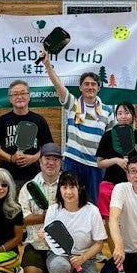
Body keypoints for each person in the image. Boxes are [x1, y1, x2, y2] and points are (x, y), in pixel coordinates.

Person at [43, 53, 114, 204]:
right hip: (73, 161)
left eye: (93, 84)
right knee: (68, 200)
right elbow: (58, 86)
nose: (90, 87)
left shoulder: (108, 111)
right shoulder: (73, 105)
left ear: (98, 88)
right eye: (86, 84)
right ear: (80, 87)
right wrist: (48, 66)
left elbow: (110, 142)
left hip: (95, 165)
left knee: (93, 204)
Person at [40, 172, 106, 273]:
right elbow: (50, 244)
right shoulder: (53, 210)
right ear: (60, 190)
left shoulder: (92, 211)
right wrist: (43, 239)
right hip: (59, 256)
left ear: (80, 188)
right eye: (64, 187)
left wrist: (82, 258)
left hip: (84, 259)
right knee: (59, 266)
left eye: (72, 187)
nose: (68, 192)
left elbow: (99, 244)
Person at [0, 80, 53, 191]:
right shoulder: (2, 121)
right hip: (8, 178)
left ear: (29, 96)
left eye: (23, 93)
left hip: (34, 177)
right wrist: (11, 158)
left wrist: (34, 158)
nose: (19, 97)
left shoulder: (39, 120)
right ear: (10, 98)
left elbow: (48, 147)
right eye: (15, 94)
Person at [17, 142, 62, 273]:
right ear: (40, 161)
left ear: (60, 163)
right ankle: (47, 266)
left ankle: (53, 266)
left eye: (55, 159)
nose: (51, 163)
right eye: (47, 158)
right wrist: (46, 217)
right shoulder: (29, 187)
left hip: (61, 244)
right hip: (36, 243)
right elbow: (23, 219)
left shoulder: (68, 186)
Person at [95, 101, 137, 219]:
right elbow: (100, 163)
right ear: (116, 116)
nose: (123, 116)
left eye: (126, 113)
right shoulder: (108, 136)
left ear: (132, 115)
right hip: (111, 182)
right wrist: (116, 160)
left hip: (133, 183)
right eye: (120, 113)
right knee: (109, 215)